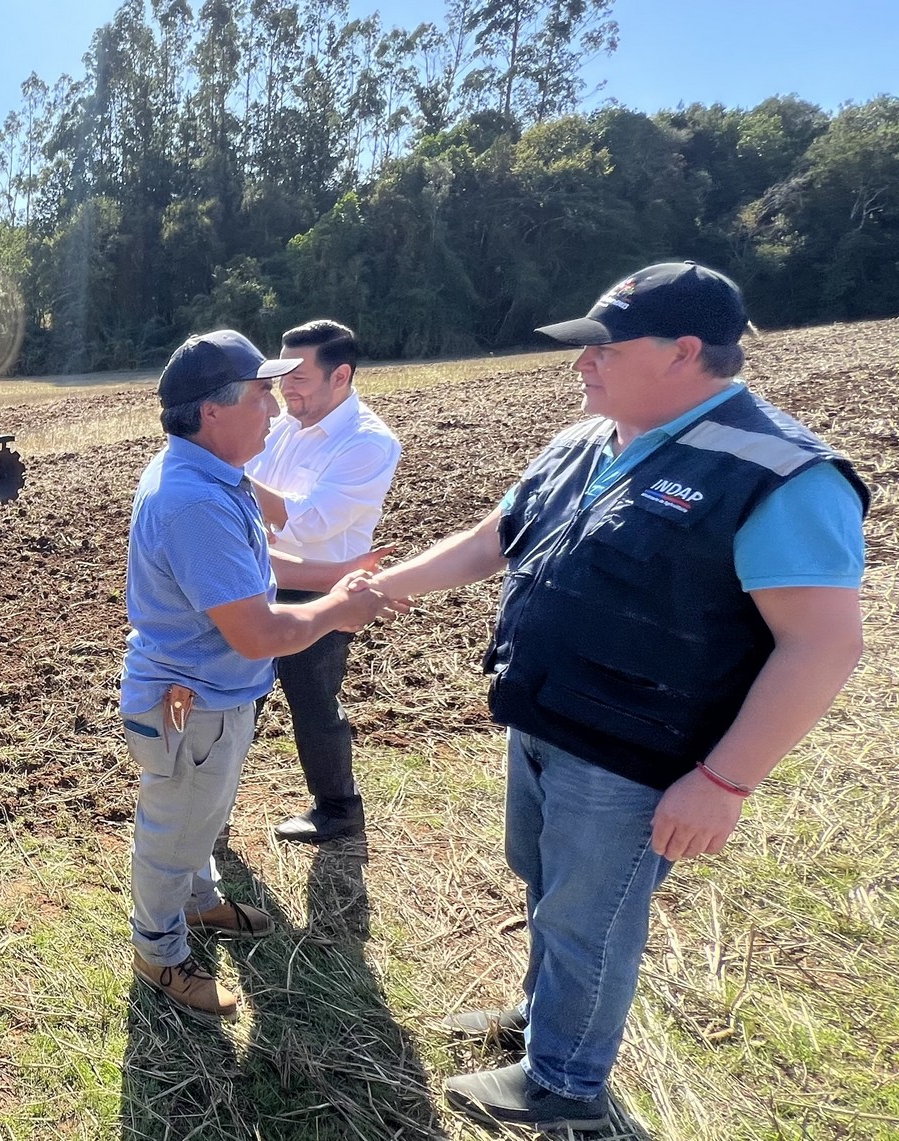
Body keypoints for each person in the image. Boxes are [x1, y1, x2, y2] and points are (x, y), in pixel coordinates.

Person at [365, 262, 867, 1130]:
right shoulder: (591, 438)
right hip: (546, 717)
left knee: (590, 915)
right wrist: (381, 589)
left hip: (639, 750)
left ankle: (565, 1087)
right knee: (550, 885)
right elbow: (498, 535)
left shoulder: (781, 472)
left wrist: (723, 781)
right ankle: (546, 1023)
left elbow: (822, 644)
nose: (582, 363)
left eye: (604, 345)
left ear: (683, 351)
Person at [123, 329, 400, 1019]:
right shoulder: (195, 499)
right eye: (262, 395)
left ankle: (200, 901)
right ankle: (158, 950)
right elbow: (258, 629)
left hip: (213, 700)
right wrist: (337, 609)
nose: (276, 411)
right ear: (213, 411)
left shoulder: (215, 475)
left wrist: (336, 573)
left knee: (202, 814)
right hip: (191, 704)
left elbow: (254, 570)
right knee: (175, 828)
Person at [247, 320, 403, 844]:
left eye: (299, 376)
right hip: (264, 573)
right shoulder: (288, 427)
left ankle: (338, 810)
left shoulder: (368, 442)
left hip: (321, 588)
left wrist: (226, 473)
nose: (286, 387)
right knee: (238, 692)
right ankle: (213, 802)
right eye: (282, 375)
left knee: (312, 700)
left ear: (341, 376)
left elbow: (309, 522)